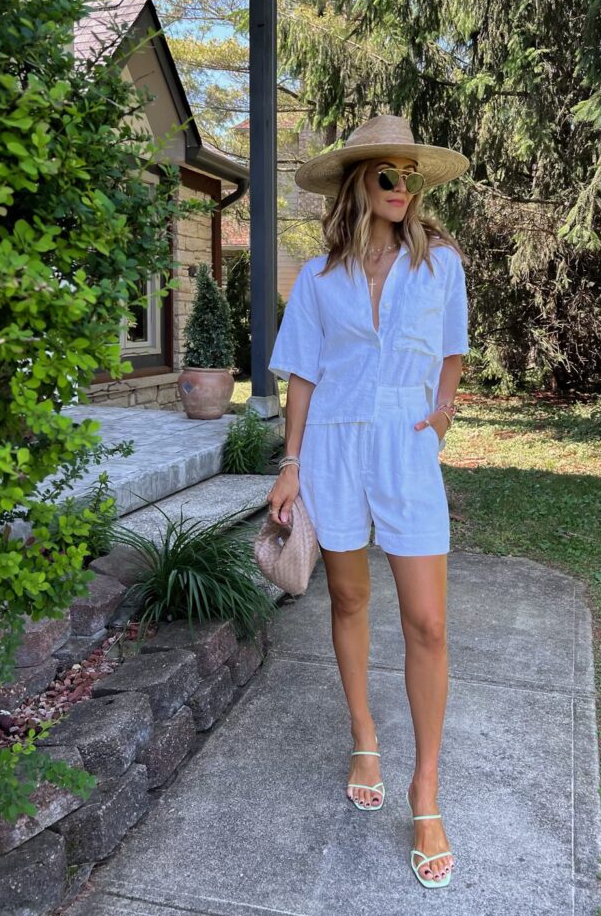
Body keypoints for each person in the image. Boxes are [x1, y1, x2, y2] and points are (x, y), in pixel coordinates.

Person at [265, 113, 470, 889]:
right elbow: (302, 376)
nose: (401, 188)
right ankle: (362, 735)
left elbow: (451, 348)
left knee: (428, 620)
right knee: (347, 599)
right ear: (358, 182)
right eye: (388, 175)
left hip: (406, 443)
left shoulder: (440, 264)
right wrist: (290, 466)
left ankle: (425, 789)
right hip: (334, 447)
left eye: (409, 176)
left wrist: (442, 411)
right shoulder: (318, 280)